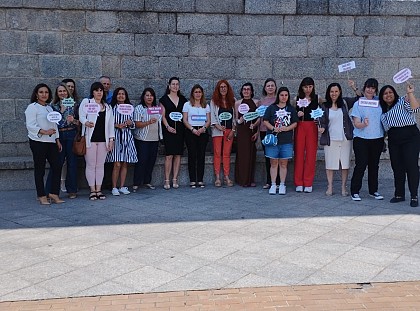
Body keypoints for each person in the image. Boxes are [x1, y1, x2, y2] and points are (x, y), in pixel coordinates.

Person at [379, 83, 420, 207]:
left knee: (411, 165)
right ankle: (399, 194)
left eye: (390, 92)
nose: (388, 95)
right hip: (394, 138)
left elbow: (416, 109)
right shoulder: (382, 110)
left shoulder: (403, 100)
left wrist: (410, 93)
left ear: (394, 93)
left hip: (410, 136)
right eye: (385, 93)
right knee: (397, 166)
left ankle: (414, 195)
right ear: (382, 97)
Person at [25, 83, 64, 205]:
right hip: (38, 142)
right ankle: (41, 195)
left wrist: (57, 139)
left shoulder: (49, 108)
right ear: (36, 94)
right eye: (41, 92)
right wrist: (44, 132)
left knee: (57, 166)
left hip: (51, 142)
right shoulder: (32, 107)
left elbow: (54, 124)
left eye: (46, 92)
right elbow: (30, 125)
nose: (44, 94)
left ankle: (53, 193)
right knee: (40, 169)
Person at [350, 78, 385, 201]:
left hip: (377, 138)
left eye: (373, 87)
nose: (370, 90)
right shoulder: (358, 103)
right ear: (364, 88)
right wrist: (363, 124)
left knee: (374, 166)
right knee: (361, 164)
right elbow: (356, 122)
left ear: (376, 90)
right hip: (361, 138)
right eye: (368, 87)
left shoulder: (380, 102)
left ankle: (373, 190)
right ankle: (354, 191)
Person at [79, 82, 115, 200]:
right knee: (90, 165)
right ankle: (92, 190)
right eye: (96, 90)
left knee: (100, 165)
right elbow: (81, 116)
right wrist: (86, 122)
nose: (99, 92)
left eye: (101, 90)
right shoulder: (87, 102)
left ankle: (99, 189)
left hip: (103, 140)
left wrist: (111, 139)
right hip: (90, 139)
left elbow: (110, 125)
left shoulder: (108, 107)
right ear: (92, 92)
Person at [319, 83, 354, 197]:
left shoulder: (344, 103)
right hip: (330, 138)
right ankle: (330, 186)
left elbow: (359, 98)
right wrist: (321, 128)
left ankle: (344, 187)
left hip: (345, 138)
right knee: (330, 164)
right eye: (331, 91)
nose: (334, 94)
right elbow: (322, 120)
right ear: (328, 93)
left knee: (345, 164)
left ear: (340, 92)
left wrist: (354, 87)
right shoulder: (324, 106)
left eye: (336, 91)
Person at [46, 83, 80, 199]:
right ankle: (50, 191)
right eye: (60, 91)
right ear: (57, 93)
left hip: (71, 134)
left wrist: (74, 120)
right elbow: (51, 123)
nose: (62, 93)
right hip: (59, 135)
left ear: (68, 92)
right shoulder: (52, 106)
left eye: (64, 91)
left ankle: (72, 190)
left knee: (72, 163)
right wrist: (56, 138)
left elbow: (81, 122)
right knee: (57, 163)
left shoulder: (75, 105)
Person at [263, 87, 298, 195]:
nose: (284, 97)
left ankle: (282, 184)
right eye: (282, 95)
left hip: (286, 140)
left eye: (286, 95)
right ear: (278, 96)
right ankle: (273, 184)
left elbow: (295, 123)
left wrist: (287, 128)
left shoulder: (291, 109)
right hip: (273, 140)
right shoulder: (271, 108)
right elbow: (265, 121)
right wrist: (273, 128)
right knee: (273, 163)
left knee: (283, 163)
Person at [106, 87, 137, 196]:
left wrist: (130, 123)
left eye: (123, 94)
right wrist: (116, 125)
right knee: (117, 163)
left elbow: (134, 124)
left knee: (125, 163)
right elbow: (107, 123)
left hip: (127, 137)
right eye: (119, 94)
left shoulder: (130, 108)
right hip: (116, 137)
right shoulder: (111, 108)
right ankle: (114, 187)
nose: (121, 96)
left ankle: (122, 186)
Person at [294, 77, 322, 193]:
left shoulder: (317, 98)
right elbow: (291, 113)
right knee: (299, 153)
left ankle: (308, 182)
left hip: (312, 127)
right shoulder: (296, 98)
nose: (308, 89)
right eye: (306, 87)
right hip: (300, 126)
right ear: (302, 87)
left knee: (311, 154)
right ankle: (299, 182)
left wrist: (319, 120)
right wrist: (297, 114)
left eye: (310, 87)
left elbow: (324, 110)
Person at [160, 77, 187, 189]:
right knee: (169, 155)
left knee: (178, 155)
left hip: (180, 130)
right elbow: (162, 116)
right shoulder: (164, 99)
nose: (175, 86)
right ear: (169, 85)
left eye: (177, 84)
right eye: (173, 84)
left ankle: (175, 179)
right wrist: (167, 127)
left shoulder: (183, 99)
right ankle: (166, 180)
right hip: (169, 130)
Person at [133, 87, 162, 192]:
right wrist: (148, 122)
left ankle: (147, 181)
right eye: (147, 95)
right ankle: (136, 183)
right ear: (143, 97)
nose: (149, 97)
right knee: (142, 161)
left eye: (151, 95)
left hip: (154, 139)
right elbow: (137, 124)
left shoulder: (157, 108)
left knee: (151, 161)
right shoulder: (139, 108)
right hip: (142, 139)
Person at [182, 84, 211, 188]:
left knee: (201, 155)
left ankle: (200, 179)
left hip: (202, 132)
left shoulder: (206, 106)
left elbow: (208, 120)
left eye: (199, 92)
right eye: (196, 92)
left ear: (202, 93)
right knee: (192, 155)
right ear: (192, 94)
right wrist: (192, 129)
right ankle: (193, 180)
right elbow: (184, 120)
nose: (198, 94)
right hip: (191, 132)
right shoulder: (187, 105)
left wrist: (204, 128)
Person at [210, 80, 236, 187]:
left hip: (229, 131)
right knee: (217, 154)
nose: (223, 89)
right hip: (218, 131)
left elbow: (235, 117)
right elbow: (212, 116)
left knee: (226, 154)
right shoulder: (214, 101)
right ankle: (217, 177)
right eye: (221, 87)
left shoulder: (233, 100)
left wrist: (233, 130)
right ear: (218, 89)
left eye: (225, 87)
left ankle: (226, 176)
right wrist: (218, 126)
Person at [234, 82, 259, 187]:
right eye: (244, 89)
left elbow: (259, 117)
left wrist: (256, 129)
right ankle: (242, 180)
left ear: (252, 91)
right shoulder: (238, 103)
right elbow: (235, 118)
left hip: (251, 130)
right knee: (242, 154)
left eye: (248, 89)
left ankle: (250, 179)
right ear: (241, 91)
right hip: (242, 131)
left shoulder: (257, 102)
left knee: (251, 154)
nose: (246, 91)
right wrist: (239, 121)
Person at [259, 78, 280, 189]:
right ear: (265, 88)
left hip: (277, 131)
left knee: (277, 156)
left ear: (275, 87)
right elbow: (259, 117)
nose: (270, 87)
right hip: (264, 131)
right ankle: (269, 180)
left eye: (272, 85)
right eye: (268, 86)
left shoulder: (279, 99)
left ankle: (278, 181)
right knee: (268, 156)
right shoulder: (261, 101)